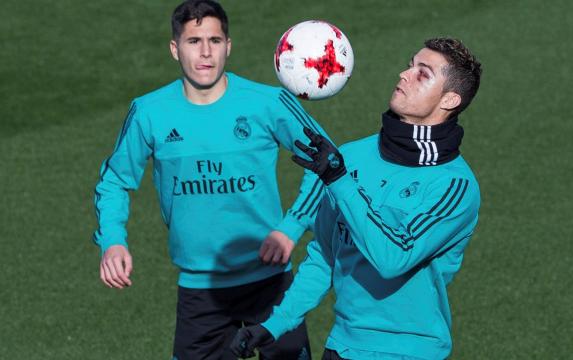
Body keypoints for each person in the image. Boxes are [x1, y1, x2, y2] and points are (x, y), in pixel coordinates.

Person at [93, 1, 328, 358]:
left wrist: (290, 228)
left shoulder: (269, 103)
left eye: (215, 41)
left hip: (271, 284)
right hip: (200, 292)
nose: (205, 52)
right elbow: (114, 180)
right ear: (175, 49)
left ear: (228, 46)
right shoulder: (149, 112)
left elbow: (329, 164)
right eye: (193, 41)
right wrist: (113, 240)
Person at [230, 38, 482, 359]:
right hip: (341, 347)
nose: (404, 75)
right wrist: (274, 325)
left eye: (423, 73)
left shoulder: (453, 185)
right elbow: (324, 254)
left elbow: (393, 257)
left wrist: (339, 180)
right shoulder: (351, 157)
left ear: (450, 99)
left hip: (408, 353)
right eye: (410, 64)